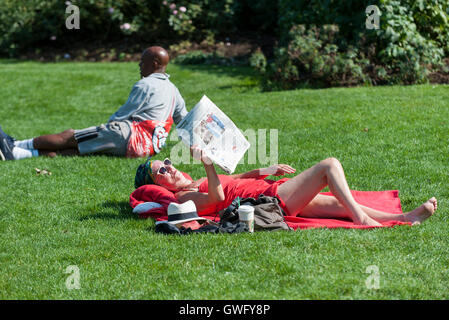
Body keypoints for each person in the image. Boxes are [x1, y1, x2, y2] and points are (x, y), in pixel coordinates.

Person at [134, 146, 438, 227]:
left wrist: (267, 169)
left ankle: (405, 218)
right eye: (160, 170)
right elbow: (217, 197)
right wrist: (208, 163)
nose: (168, 167)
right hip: (268, 201)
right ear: (157, 184)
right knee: (329, 166)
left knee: (337, 206)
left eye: (166, 163)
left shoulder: (196, 181)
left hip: (270, 189)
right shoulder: (185, 199)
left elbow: (237, 179)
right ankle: (363, 220)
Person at [0, 46, 187, 161]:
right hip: (148, 148)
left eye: (142, 62)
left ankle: (14, 146)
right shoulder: (173, 90)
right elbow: (184, 120)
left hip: (127, 136)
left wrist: (106, 128)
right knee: (79, 151)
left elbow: (123, 114)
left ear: (154, 64)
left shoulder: (146, 84)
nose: (139, 65)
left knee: (69, 137)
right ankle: (19, 153)